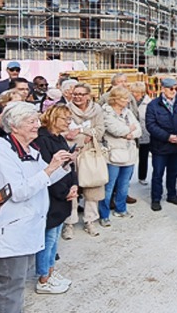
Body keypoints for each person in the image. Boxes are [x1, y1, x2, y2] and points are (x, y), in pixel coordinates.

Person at [0, 102, 72, 310]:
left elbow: (45, 178)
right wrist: (50, 169)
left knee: (15, 284)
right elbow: (19, 191)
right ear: (15, 126)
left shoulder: (30, 148)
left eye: (37, 120)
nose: (37, 125)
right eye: (31, 121)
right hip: (11, 231)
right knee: (10, 288)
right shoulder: (3, 152)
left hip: (27, 230)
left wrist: (64, 165)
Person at [34, 104, 79, 293]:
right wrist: (64, 191)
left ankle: (51, 271)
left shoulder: (58, 137)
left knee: (54, 238)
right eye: (65, 119)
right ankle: (44, 279)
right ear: (53, 118)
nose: (69, 123)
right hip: (53, 197)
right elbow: (48, 171)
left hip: (64, 194)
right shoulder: (43, 140)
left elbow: (68, 164)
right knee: (49, 238)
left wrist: (75, 184)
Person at [63, 83, 105, 239]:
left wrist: (80, 132)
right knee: (71, 189)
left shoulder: (97, 110)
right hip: (71, 154)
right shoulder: (65, 109)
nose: (78, 97)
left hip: (90, 153)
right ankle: (69, 223)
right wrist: (84, 135)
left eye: (81, 94)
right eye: (75, 94)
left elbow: (100, 131)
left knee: (92, 187)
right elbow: (63, 132)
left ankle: (90, 220)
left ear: (88, 95)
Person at [98, 87, 142, 227]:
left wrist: (129, 133)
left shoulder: (127, 112)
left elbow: (139, 129)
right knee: (109, 186)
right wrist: (129, 130)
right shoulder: (105, 112)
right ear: (115, 99)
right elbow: (116, 130)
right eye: (124, 98)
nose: (127, 101)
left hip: (129, 153)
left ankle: (121, 209)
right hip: (113, 154)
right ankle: (104, 215)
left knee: (124, 185)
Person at [146, 77, 177, 211]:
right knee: (158, 174)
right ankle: (156, 199)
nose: (173, 91)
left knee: (174, 172)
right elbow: (151, 125)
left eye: (176, 89)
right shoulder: (153, 105)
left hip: (176, 146)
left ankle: (172, 195)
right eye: (171, 89)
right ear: (163, 89)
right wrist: (167, 137)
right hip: (160, 147)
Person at [130, 82, 151, 186]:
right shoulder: (128, 102)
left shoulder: (149, 103)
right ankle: (127, 179)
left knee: (143, 156)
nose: (133, 94)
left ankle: (142, 177)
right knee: (130, 157)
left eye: (136, 92)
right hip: (132, 134)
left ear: (142, 93)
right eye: (132, 91)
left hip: (145, 133)